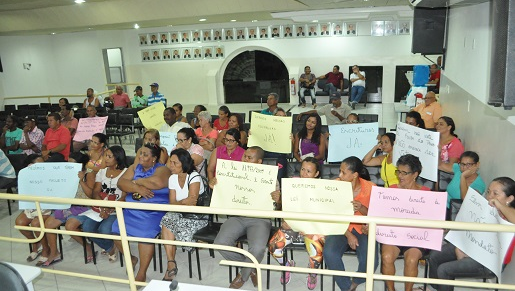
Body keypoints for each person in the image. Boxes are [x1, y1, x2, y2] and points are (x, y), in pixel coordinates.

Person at [429, 177, 515, 291]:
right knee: (434, 255)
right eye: (489, 192)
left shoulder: (509, 215)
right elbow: (470, 232)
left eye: (496, 194)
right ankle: (436, 288)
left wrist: (499, 205)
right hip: (472, 248)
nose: (490, 197)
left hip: (490, 260)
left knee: (443, 269)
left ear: (509, 198)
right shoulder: (486, 209)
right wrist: (461, 246)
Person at [214, 146, 275, 289]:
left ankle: (243, 275)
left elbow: (276, 207)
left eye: (249, 157)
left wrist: (277, 199)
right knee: (220, 243)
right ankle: (251, 267)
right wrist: (215, 185)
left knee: (258, 248)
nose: (245, 159)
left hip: (260, 219)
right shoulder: (234, 173)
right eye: (244, 156)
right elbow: (223, 193)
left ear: (259, 161)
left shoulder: (269, 177)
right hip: (238, 217)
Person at [114, 143, 172, 283]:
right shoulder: (134, 167)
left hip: (153, 211)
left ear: (154, 158)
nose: (140, 156)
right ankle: (132, 258)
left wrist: (136, 182)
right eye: (140, 153)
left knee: (144, 236)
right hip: (131, 209)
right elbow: (121, 183)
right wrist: (138, 189)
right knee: (116, 231)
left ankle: (142, 273)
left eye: (145, 154)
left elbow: (157, 183)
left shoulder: (163, 169)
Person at [323, 156, 378, 291]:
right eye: (340, 171)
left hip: (363, 229)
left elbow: (376, 214)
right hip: (341, 227)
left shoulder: (371, 188)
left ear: (354, 175)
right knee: (330, 253)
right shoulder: (334, 186)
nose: (339, 175)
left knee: (371, 261)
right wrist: (348, 235)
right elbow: (330, 214)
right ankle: (346, 287)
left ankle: (355, 283)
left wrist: (362, 209)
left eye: (343, 172)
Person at [268, 157, 323, 289]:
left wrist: (310, 226)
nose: (304, 173)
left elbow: (324, 214)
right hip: (292, 225)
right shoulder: (292, 183)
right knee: (273, 246)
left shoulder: (322, 189)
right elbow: (282, 207)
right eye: (302, 169)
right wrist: (282, 210)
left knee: (317, 252)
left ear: (316, 174)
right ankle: (286, 265)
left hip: (312, 227)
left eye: (308, 171)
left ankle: (312, 272)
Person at [381, 154, 431, 291]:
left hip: (416, 237)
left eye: (405, 173)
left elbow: (433, 220)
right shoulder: (391, 190)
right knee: (386, 256)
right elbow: (382, 214)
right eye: (398, 171)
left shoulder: (427, 193)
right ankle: (391, 290)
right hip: (394, 235)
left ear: (415, 174)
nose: (400, 176)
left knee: (411, 260)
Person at [37, 152, 94, 267]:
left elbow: (91, 195)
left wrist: (81, 180)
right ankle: (54, 252)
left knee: (70, 227)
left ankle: (87, 247)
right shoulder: (65, 173)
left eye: (72, 163)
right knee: (48, 225)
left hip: (83, 207)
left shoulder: (89, 175)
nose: (68, 165)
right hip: (67, 205)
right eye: (68, 162)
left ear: (80, 165)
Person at [160, 148, 208, 281]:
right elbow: (172, 204)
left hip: (196, 216)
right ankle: (171, 263)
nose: (171, 166)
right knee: (167, 220)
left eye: (175, 163)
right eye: (171, 162)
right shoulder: (172, 178)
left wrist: (180, 203)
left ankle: (171, 266)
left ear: (184, 163)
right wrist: (183, 202)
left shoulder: (194, 177)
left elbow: (192, 203)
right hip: (179, 214)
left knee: (168, 222)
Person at [76, 146, 128, 263]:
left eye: (110, 156)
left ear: (118, 158)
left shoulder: (126, 172)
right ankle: (110, 248)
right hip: (100, 207)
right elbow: (95, 191)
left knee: (105, 230)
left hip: (117, 209)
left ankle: (109, 245)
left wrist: (109, 208)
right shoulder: (102, 172)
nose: (106, 159)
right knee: (87, 228)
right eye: (105, 156)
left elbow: (125, 196)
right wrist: (103, 208)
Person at [14, 155, 52, 266]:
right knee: (19, 223)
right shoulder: (24, 176)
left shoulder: (49, 176)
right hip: (31, 206)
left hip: (46, 207)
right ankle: (36, 243)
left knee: (36, 224)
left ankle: (46, 249)